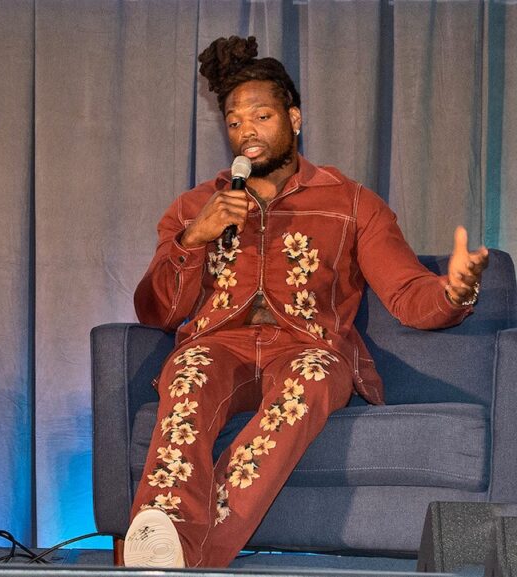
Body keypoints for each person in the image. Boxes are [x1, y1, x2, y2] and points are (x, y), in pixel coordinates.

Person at [121, 36, 488, 569]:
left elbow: (409, 295)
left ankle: (172, 552)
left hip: (308, 347)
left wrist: (455, 291)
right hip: (218, 343)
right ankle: (166, 543)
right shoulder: (195, 207)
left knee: (311, 378)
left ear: (294, 118)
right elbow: (157, 312)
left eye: (262, 116)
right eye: (234, 122)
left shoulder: (351, 201)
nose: (247, 131)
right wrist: (191, 241)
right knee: (189, 372)